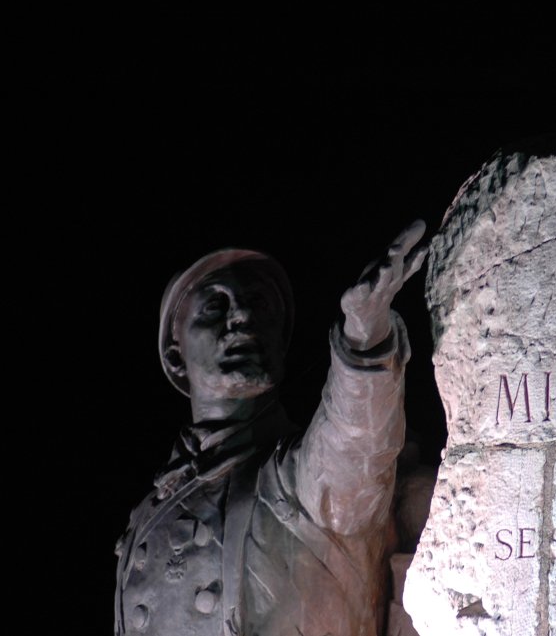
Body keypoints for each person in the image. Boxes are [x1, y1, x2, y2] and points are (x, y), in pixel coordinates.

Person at [114, 221, 427, 636]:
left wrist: (365, 341)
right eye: (214, 306)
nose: (242, 316)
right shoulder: (149, 513)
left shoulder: (292, 478)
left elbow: (354, 447)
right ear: (175, 355)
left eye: (259, 304)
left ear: (280, 341)